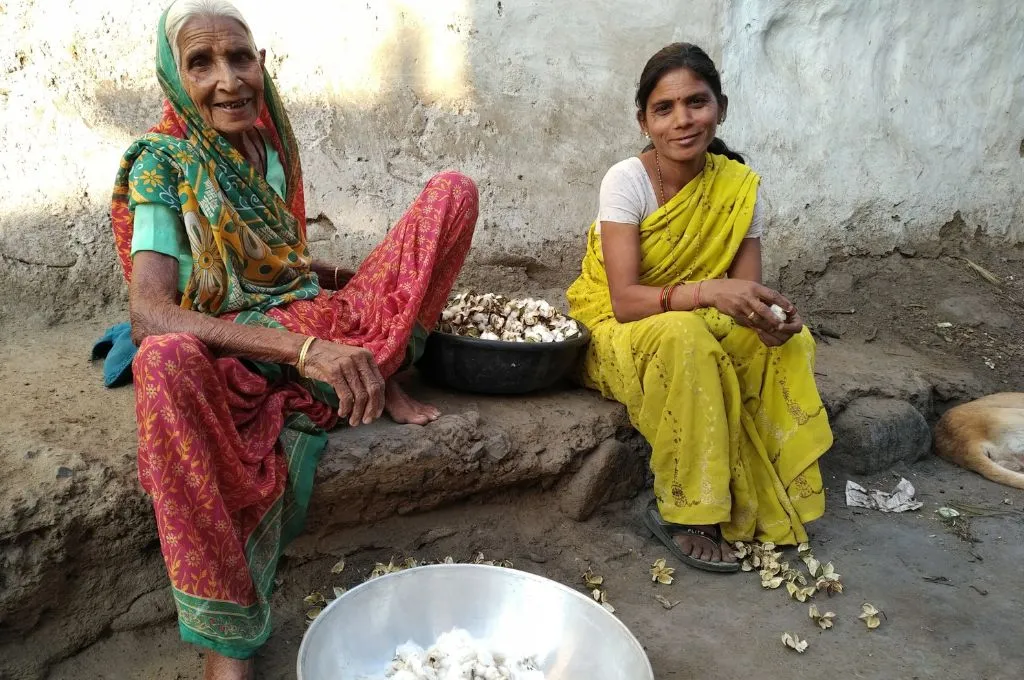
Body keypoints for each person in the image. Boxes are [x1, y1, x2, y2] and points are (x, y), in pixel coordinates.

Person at [109, 1, 477, 677]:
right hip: (243, 357)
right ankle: (228, 639)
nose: (228, 80)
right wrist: (306, 352)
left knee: (452, 192)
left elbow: (283, 268)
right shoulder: (162, 164)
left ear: (262, 63)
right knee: (163, 362)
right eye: (202, 63)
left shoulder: (270, 141)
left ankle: (376, 368)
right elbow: (151, 315)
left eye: (239, 57)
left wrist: (343, 282)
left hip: (315, 322)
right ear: (174, 78)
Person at [567, 43, 833, 574]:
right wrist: (709, 292)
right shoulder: (627, 181)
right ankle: (689, 511)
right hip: (618, 326)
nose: (682, 120)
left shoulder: (737, 187)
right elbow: (623, 301)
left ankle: (770, 491)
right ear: (643, 120)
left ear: (722, 108)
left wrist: (771, 319)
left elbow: (743, 299)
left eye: (697, 102)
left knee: (785, 341)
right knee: (683, 337)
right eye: (664, 108)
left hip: (691, 317)